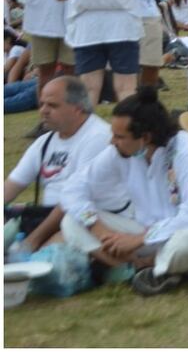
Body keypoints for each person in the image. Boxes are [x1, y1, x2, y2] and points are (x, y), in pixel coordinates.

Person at [60, 87, 188, 296]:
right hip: (146, 234)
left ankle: (151, 267)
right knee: (72, 221)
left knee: (183, 244)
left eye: (119, 136)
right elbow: (73, 188)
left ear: (145, 138)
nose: (112, 142)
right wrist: (98, 228)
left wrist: (140, 239)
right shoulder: (121, 152)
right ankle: (137, 269)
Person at [3, 77, 112, 252]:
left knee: (49, 252)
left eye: (52, 105)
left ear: (78, 108)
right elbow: (10, 187)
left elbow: (76, 199)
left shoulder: (98, 137)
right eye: (42, 104)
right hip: (46, 217)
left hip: (83, 218)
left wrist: (33, 241)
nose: (43, 111)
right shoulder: (44, 142)